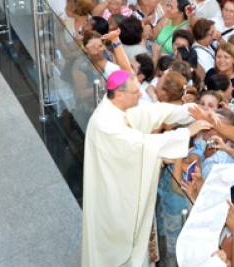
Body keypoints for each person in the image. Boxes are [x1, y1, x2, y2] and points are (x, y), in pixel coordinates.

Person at [82, 71, 211, 266]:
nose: (141, 95)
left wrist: (193, 110)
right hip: (113, 197)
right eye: (135, 92)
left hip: (123, 185)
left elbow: (160, 111)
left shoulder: (122, 107)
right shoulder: (104, 123)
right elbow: (142, 145)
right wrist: (187, 133)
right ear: (119, 94)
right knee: (117, 250)